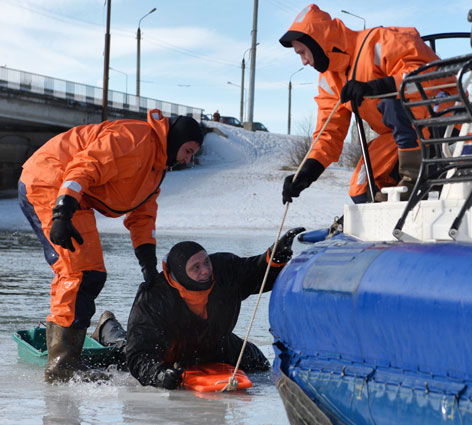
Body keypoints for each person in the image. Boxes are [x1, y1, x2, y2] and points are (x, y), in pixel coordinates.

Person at [17, 109, 204, 383]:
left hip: (73, 196)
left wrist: (148, 267)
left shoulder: (156, 167)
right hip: (49, 183)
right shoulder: (134, 139)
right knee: (79, 273)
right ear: (176, 140)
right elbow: (85, 165)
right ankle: (63, 365)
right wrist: (62, 210)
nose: (189, 159)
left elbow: (142, 215)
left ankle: (69, 351)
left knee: (88, 274)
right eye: (188, 151)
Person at [90, 228, 305, 389]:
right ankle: (107, 327)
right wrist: (157, 375)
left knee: (260, 363)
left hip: (215, 344)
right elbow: (139, 354)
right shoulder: (153, 297)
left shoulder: (223, 269)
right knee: (124, 351)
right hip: (167, 352)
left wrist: (275, 258)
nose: (205, 270)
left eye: (206, 262)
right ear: (180, 274)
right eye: (196, 267)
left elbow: (257, 272)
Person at [279, 4, 452, 203]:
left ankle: (414, 180)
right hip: (400, 136)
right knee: (362, 187)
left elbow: (429, 76)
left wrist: (376, 87)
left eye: (302, 52)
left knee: (391, 99)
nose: (303, 61)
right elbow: (329, 133)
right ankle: (391, 218)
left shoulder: (379, 41)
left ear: (318, 42)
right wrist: (306, 173)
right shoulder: (330, 80)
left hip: (443, 120)